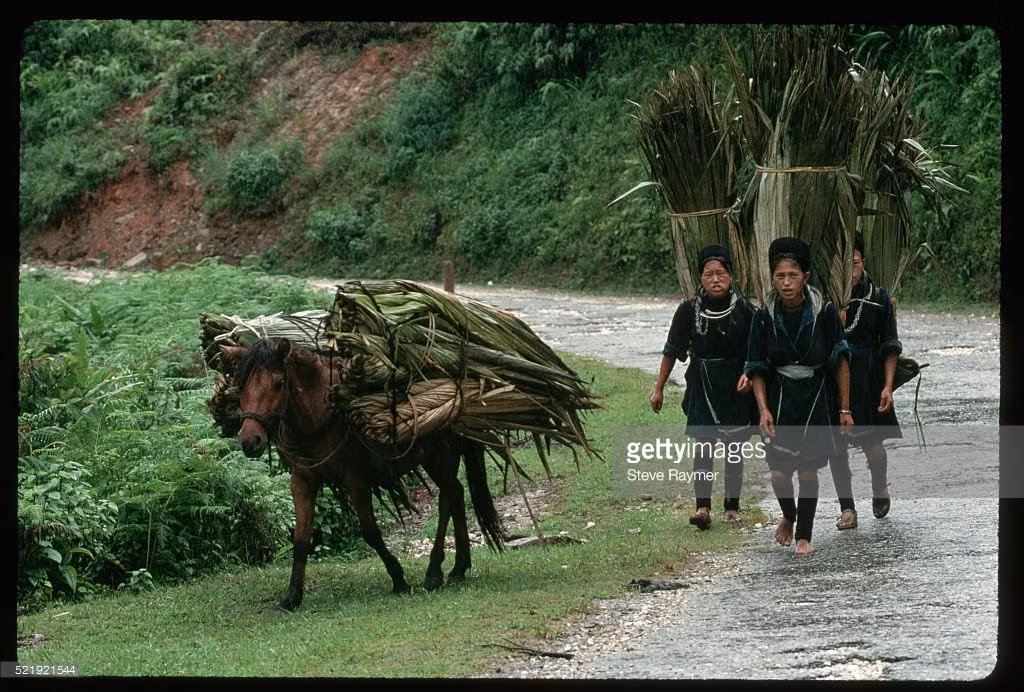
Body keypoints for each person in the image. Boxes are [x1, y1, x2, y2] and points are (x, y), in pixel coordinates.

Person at [745, 237, 853, 555]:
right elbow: (756, 368)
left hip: (816, 398)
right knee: (779, 473)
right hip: (779, 398)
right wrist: (763, 410)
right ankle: (789, 516)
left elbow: (841, 362)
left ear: (806, 277)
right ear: (772, 278)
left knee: (807, 472)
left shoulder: (825, 312)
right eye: (780, 276)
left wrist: (844, 409)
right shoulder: (763, 316)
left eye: (793, 275)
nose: (787, 283)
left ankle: (804, 535)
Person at [651, 244, 757, 530]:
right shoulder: (688, 310)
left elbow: (757, 351)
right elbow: (671, 349)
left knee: (734, 447)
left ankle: (732, 507)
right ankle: (702, 507)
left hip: (736, 383)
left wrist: (750, 372)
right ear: (700, 278)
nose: (715, 279)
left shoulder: (746, 310)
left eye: (721, 273)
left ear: (731, 276)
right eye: (709, 274)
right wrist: (658, 388)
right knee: (704, 445)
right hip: (702, 380)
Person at [829, 231, 903, 529]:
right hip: (834, 378)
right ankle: (847, 509)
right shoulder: (825, 299)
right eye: (843, 264)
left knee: (873, 445)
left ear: (864, 261)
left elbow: (890, 345)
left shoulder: (879, 297)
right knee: (836, 446)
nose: (851, 268)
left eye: (855, 262)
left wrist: (887, 386)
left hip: (868, 378)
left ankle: (879, 487)